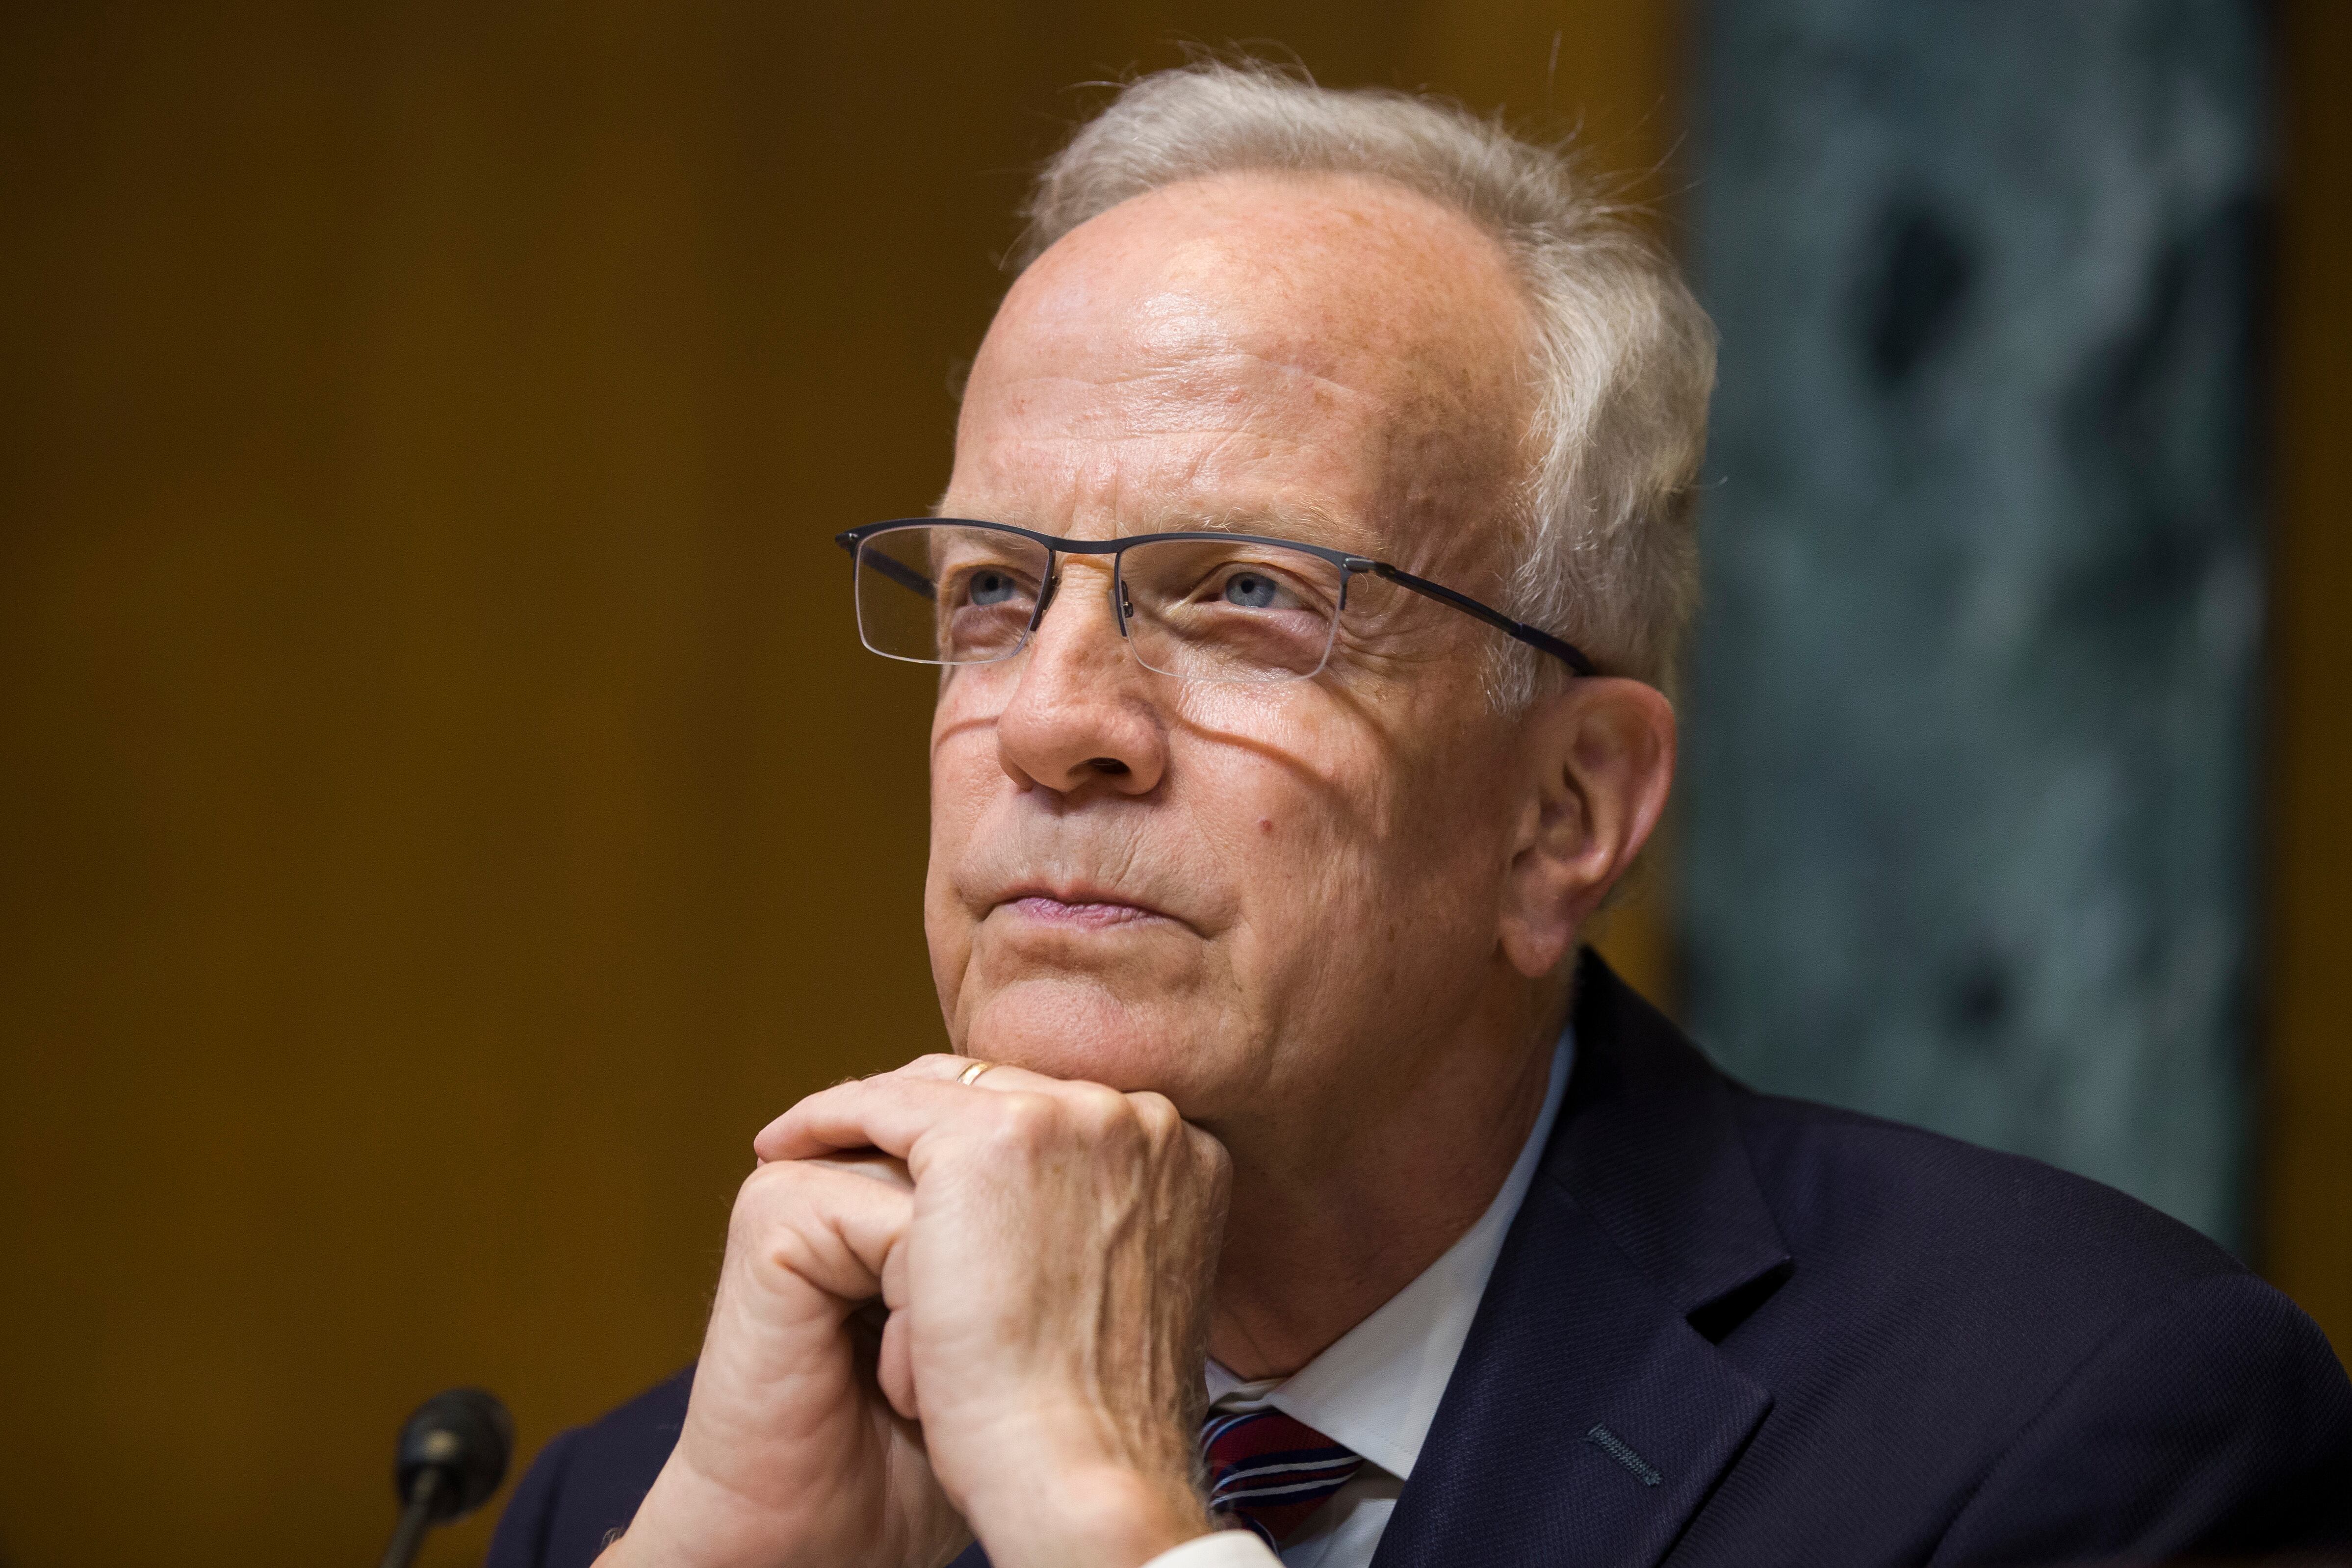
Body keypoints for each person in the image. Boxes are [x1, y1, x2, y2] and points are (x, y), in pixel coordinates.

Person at [487, 62, 2352, 1568]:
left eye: (1244, 595)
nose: (1051, 724)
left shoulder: (2063, 1425)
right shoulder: (670, 1505)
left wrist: (1109, 1522)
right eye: (992, 592)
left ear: (1565, 809)